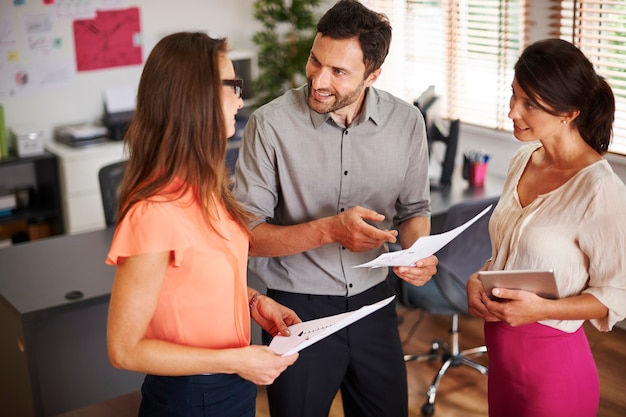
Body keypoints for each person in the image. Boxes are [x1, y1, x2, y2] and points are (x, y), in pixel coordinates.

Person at [232, 1, 438, 416]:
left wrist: (419, 254)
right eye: (315, 60)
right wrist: (329, 230)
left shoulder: (407, 122)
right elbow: (247, 238)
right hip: (296, 311)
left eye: (339, 72)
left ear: (373, 74)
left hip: (375, 302)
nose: (319, 79)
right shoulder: (269, 126)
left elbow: (415, 209)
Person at [105, 32, 301, 417]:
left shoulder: (207, 188)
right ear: (198, 96)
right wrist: (237, 360)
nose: (241, 100)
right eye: (233, 86)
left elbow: (195, 281)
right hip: (192, 395)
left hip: (232, 383)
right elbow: (123, 349)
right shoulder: (154, 211)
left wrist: (254, 302)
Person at [466, 38, 626, 417]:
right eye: (513, 95)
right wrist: (479, 276)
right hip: (501, 360)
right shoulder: (523, 160)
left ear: (569, 112)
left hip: (553, 369)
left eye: (529, 104)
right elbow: (512, 252)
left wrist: (538, 311)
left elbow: (616, 294)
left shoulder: (600, 190)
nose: (512, 112)